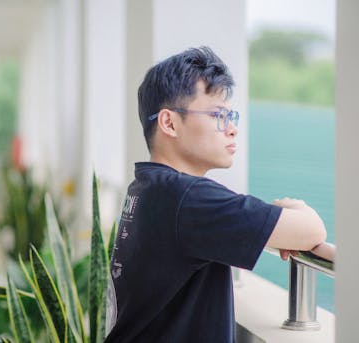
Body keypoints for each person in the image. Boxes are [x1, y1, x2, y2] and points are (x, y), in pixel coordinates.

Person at [104, 46, 327, 343]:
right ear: (169, 122)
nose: (232, 129)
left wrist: (275, 230)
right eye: (218, 115)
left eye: (230, 115)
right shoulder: (187, 198)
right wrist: (294, 207)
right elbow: (312, 230)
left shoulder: (148, 188)